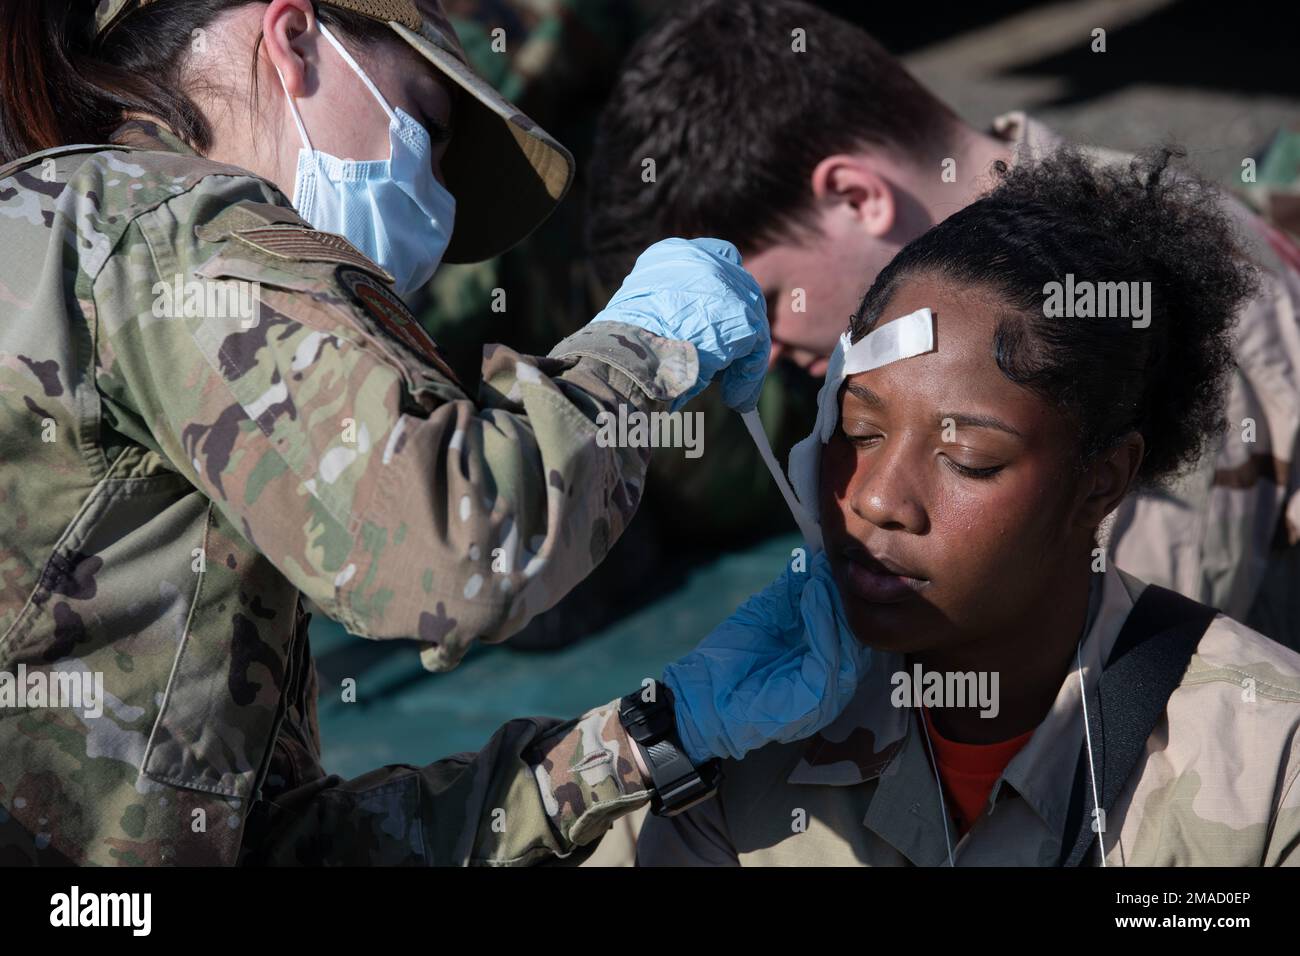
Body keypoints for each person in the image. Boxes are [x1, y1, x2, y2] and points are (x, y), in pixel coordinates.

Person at [0, 0, 860, 865]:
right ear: (295, 40)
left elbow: (277, 848)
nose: (439, 208)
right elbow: (451, 549)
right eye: (431, 126)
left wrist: (652, 735)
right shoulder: (163, 224)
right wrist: (641, 351)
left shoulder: (92, 251)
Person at [638, 148, 1300, 867]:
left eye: (967, 460)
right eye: (857, 430)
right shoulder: (745, 737)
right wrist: (654, 743)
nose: (876, 497)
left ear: (1103, 482)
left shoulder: (1268, 770)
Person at [587, 0, 1300, 646]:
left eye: (767, 303)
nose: (765, 354)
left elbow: (1100, 694)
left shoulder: (1123, 313)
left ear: (857, 196)